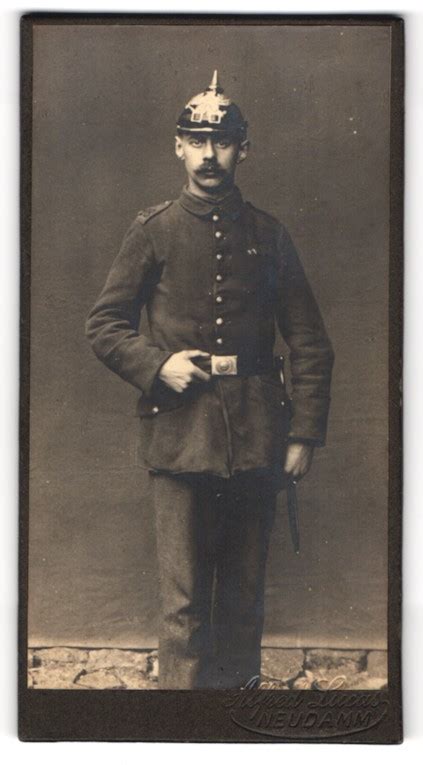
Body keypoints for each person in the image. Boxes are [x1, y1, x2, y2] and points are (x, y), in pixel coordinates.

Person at [86, 71, 334, 690]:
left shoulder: (270, 236)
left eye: (221, 142)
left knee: (243, 601)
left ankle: (236, 732)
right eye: (196, 141)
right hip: (178, 436)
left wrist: (304, 434)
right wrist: (155, 365)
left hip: (257, 438)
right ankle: (181, 733)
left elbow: (309, 341)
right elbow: (105, 323)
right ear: (177, 146)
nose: (208, 155)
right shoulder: (154, 230)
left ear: (242, 150)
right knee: (185, 606)